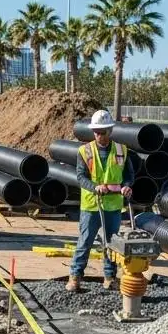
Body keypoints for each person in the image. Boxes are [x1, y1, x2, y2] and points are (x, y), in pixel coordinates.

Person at [67, 109, 135, 294]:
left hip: (113, 205)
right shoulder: (84, 151)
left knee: (111, 243)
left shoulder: (122, 150)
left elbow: (129, 175)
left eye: (102, 132)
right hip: (91, 204)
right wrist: (94, 187)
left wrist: (127, 186)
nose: (99, 135)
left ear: (110, 131)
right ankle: (75, 277)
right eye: (96, 132)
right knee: (85, 241)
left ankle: (110, 277)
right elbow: (81, 176)